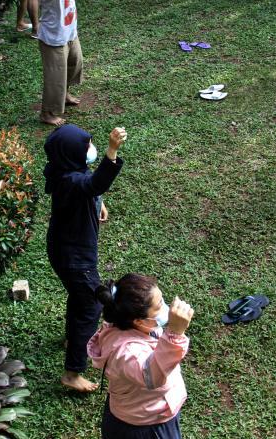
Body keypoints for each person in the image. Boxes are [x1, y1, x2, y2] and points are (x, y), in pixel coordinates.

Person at [44, 124, 126, 392]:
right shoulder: (72, 181)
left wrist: (97, 202)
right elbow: (93, 183)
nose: (91, 148)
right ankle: (72, 372)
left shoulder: (63, 171)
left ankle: (73, 339)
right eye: (87, 145)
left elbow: (89, 188)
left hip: (63, 251)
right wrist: (111, 151)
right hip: (76, 258)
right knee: (91, 305)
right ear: (72, 153)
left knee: (80, 298)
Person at [88, 274, 194, 439]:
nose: (166, 307)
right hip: (144, 426)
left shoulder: (133, 323)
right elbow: (151, 376)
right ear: (139, 320)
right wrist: (174, 334)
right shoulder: (126, 353)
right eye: (159, 305)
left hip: (147, 411)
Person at [37, 0, 85, 126]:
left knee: (75, 64)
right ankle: (47, 113)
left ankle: (64, 94)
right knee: (55, 77)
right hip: (54, 39)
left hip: (70, 33)